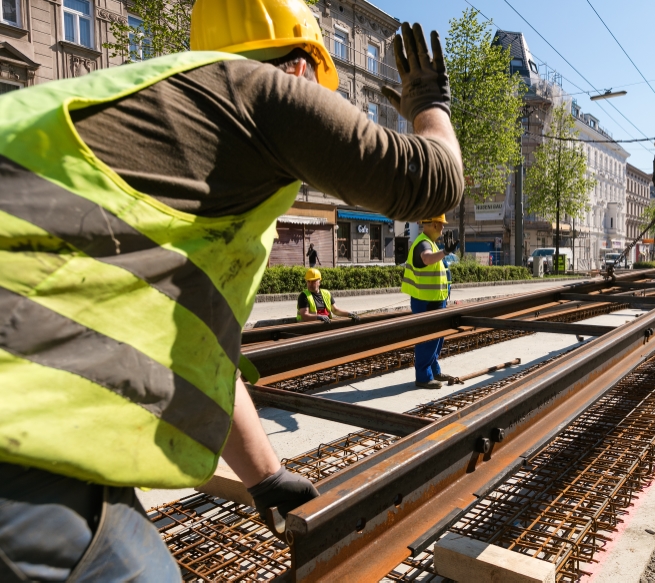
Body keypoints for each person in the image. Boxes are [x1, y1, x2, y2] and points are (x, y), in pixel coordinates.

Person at [0, 0, 463, 577]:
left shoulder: (154, 121)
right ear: (299, 67)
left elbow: (201, 349)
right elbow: (434, 182)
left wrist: (265, 477)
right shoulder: (260, 93)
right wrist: (429, 102)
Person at [401, 215, 457, 389]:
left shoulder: (430, 243)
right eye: (441, 225)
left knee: (436, 339)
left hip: (434, 301)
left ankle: (434, 370)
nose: (442, 229)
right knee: (427, 339)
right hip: (426, 302)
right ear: (434, 224)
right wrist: (445, 252)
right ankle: (423, 377)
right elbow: (426, 258)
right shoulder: (423, 243)